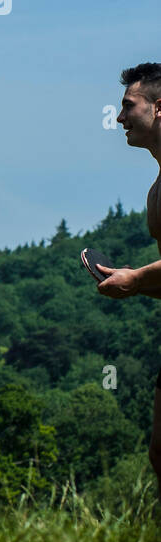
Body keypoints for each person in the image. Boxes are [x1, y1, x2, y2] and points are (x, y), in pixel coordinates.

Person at [101, 62, 161, 497]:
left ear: (159, 109)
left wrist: (137, 278)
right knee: (160, 452)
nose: (119, 118)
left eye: (128, 106)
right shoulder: (155, 190)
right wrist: (131, 283)